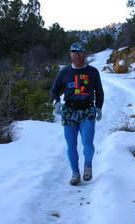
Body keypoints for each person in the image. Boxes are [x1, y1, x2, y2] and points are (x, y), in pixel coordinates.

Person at [50, 42, 104, 186]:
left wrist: (98, 107)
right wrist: (56, 102)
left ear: (85, 54)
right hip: (69, 112)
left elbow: (99, 92)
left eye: (80, 52)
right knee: (71, 145)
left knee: (87, 143)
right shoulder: (65, 72)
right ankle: (75, 172)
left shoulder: (93, 72)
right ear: (70, 54)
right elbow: (54, 90)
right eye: (75, 52)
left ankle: (88, 165)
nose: (78, 55)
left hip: (87, 111)